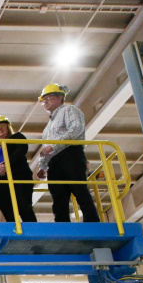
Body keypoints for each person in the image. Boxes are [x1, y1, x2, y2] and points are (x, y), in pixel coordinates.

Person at [31, 83, 100, 223]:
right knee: (58, 198)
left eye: (48, 98)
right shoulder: (47, 128)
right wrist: (42, 167)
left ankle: (92, 223)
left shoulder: (70, 110)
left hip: (71, 155)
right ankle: (62, 226)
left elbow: (75, 130)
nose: (45, 102)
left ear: (60, 97)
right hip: (54, 163)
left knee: (80, 191)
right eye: (43, 100)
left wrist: (54, 147)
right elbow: (46, 148)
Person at [0, 116, 38, 224]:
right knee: (7, 210)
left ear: (8, 128)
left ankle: (34, 235)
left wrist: (5, 164)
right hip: (0, 183)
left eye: (2, 126)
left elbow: (21, 150)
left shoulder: (17, 137)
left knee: (24, 207)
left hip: (19, 178)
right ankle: (14, 236)